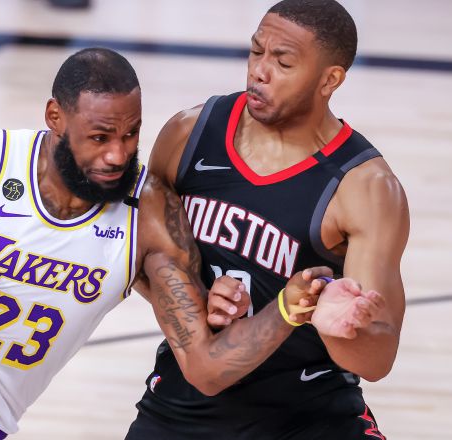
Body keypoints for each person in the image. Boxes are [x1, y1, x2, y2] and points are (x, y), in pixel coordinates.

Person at [0, 47, 383, 439]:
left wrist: (288, 307)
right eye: (100, 136)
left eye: (131, 135)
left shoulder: (148, 216)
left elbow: (204, 366)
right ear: (55, 116)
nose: (118, 155)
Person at [126, 1, 410, 439]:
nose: (260, 71)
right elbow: (135, 257)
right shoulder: (189, 134)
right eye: (256, 52)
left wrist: (337, 329)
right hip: (186, 404)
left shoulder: (365, 188)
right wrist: (194, 298)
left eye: (283, 61)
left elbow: (377, 360)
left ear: (329, 80)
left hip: (310, 413)